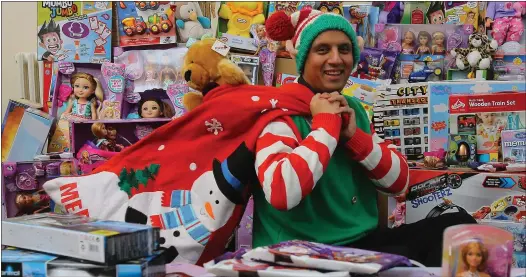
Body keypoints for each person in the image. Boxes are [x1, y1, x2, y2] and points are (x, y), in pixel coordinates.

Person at [256, 8, 476, 267]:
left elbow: (400, 183)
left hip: (359, 245)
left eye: (344, 49)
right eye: (323, 50)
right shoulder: (279, 111)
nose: (336, 59)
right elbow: (280, 192)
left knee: (460, 228)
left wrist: (353, 137)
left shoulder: (354, 109)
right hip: (301, 253)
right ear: (303, 57)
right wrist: (326, 125)